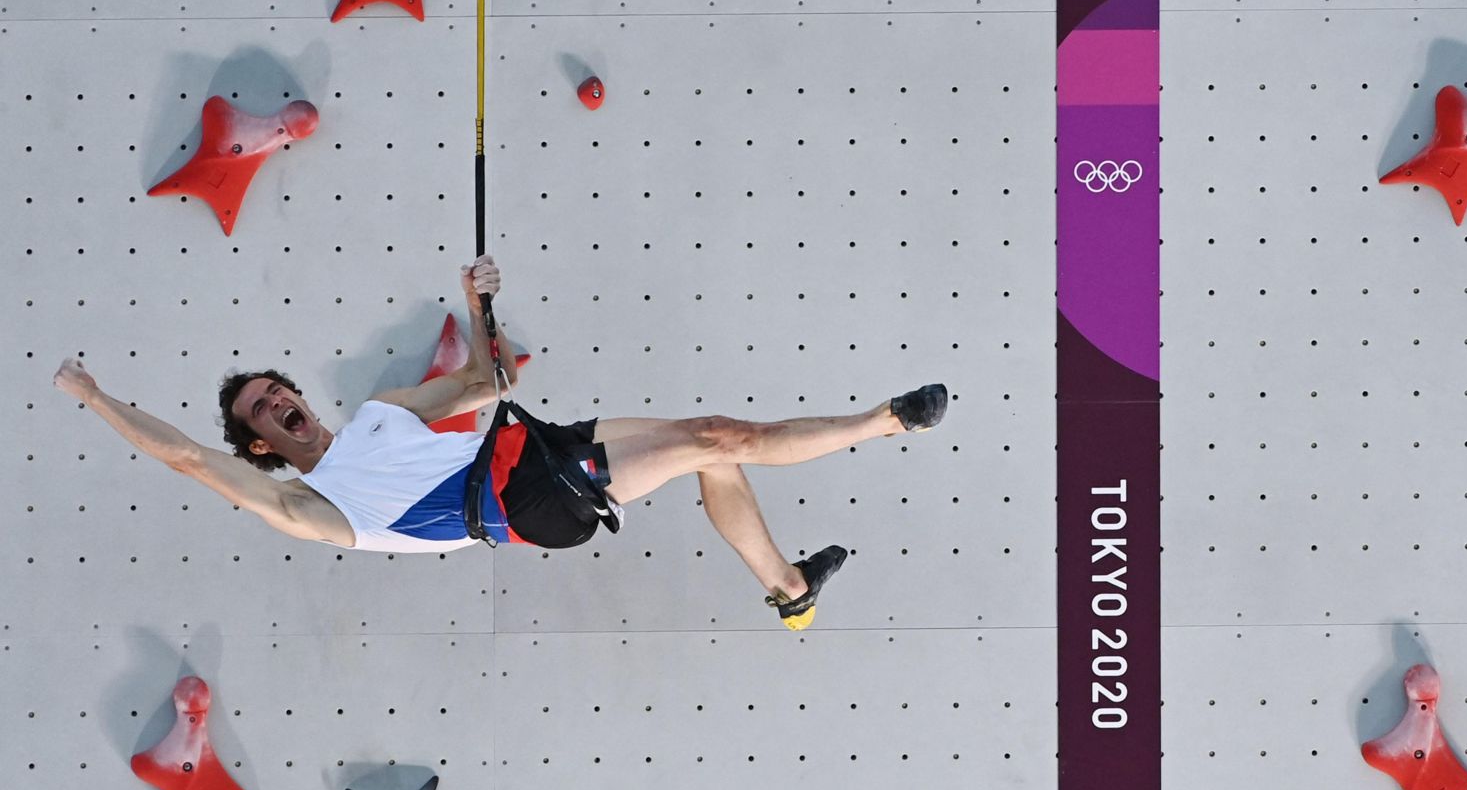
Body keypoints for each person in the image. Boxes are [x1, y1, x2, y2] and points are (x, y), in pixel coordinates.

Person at [51, 255, 949, 631]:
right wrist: (95, 397)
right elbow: (179, 456)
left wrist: (479, 300)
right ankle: (888, 420)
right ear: (259, 449)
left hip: (527, 445)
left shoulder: (379, 411)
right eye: (261, 410)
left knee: (715, 446)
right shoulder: (306, 504)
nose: (280, 401)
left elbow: (491, 380)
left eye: (276, 388)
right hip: (523, 502)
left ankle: (792, 592)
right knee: (718, 436)